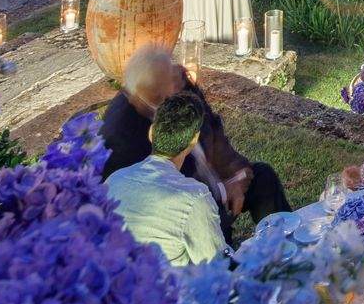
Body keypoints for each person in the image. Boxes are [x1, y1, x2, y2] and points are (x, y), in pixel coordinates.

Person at [101, 48, 290, 229]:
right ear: (157, 93)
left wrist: (238, 175)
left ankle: (287, 242)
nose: (180, 76)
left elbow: (213, 130)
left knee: (263, 177)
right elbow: (157, 189)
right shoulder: (122, 133)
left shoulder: (181, 87)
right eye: (172, 78)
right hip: (184, 206)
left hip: (217, 187)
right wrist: (222, 192)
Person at [105, 91, 228, 266]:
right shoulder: (194, 199)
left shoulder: (114, 180)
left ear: (151, 132)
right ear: (193, 141)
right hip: (165, 290)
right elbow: (216, 269)